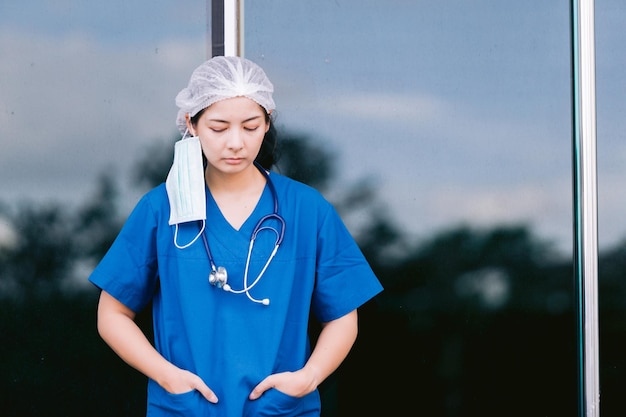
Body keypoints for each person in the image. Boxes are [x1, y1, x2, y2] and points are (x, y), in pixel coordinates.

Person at [89, 55, 383, 417]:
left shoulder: (307, 210)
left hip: (279, 408)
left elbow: (342, 316)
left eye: (250, 126)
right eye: (218, 127)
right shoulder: (161, 209)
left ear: (267, 123)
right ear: (191, 124)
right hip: (188, 408)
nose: (235, 142)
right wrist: (166, 376)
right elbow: (112, 313)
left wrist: (309, 377)